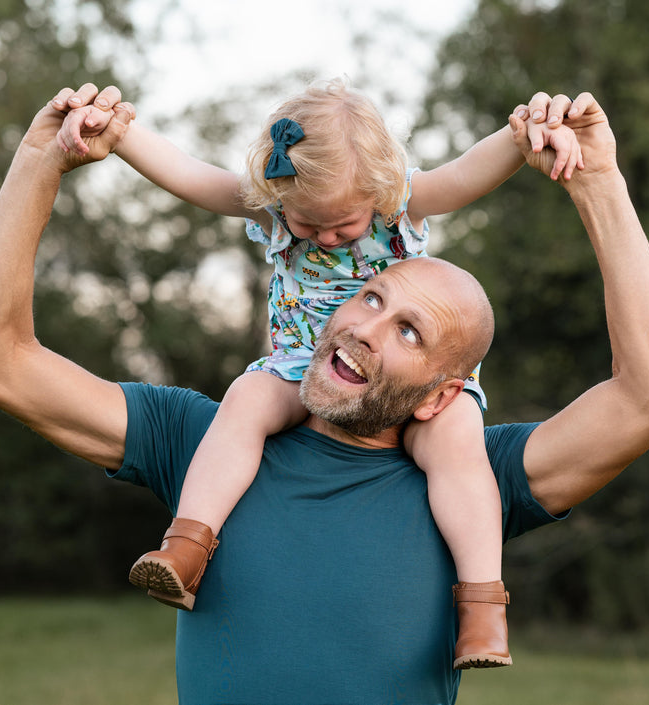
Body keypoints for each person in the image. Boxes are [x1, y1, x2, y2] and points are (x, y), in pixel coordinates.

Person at [0, 84, 649, 704]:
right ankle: (185, 548)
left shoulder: (472, 473)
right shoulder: (200, 440)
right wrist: (41, 160)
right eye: (371, 297)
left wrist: (595, 181)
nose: (370, 327)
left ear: (444, 393)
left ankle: (485, 607)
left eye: (410, 333)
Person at [51, 78, 584, 670]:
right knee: (243, 403)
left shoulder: (400, 204)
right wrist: (122, 137)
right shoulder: (276, 208)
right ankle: (185, 547)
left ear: (378, 191)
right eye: (309, 225)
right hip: (299, 365)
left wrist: (522, 139)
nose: (324, 236)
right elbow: (192, 177)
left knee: (458, 447)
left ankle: (483, 609)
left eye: (342, 226)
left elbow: (465, 174)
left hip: (402, 376)